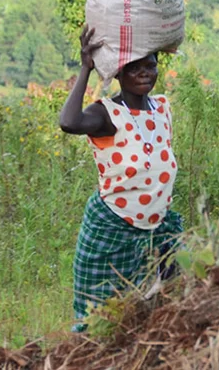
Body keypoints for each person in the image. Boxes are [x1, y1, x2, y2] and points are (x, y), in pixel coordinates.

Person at [60, 25, 183, 331]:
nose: (144, 73)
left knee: (160, 311)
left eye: (150, 65)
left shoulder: (162, 109)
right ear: (118, 74)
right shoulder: (107, 114)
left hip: (158, 228)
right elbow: (68, 122)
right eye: (134, 68)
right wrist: (86, 68)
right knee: (96, 318)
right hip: (112, 231)